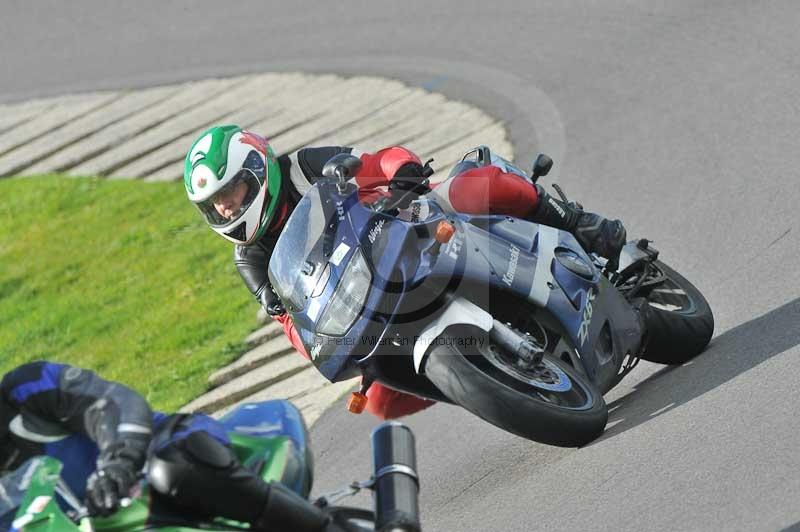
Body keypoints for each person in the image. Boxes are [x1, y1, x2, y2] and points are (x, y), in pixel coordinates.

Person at [183, 125, 626, 419]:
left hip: (409, 223)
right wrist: (321, 341)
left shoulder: (301, 168)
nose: (226, 208)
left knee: (476, 189)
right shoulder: (251, 259)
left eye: (232, 190)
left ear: (257, 170)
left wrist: (403, 175)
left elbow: (380, 160)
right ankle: (495, 378)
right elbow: (294, 325)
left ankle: (572, 222)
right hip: (370, 297)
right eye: (215, 204)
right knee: (379, 402)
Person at [0, 361, 323, 530]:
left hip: (157, 457)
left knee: (175, 469)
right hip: (106, 526)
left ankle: (321, 529)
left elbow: (114, 405)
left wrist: (116, 464)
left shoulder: (26, 388)